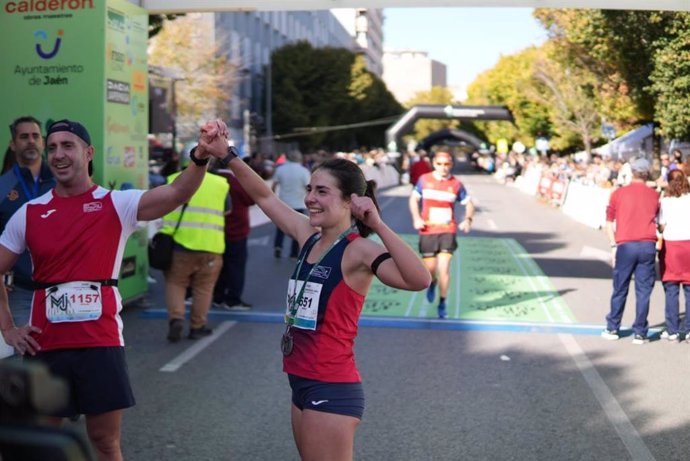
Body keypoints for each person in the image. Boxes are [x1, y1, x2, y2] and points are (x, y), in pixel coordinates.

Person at [0, 118, 229, 460]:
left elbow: (177, 192)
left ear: (88, 152)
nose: (58, 155)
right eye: (52, 148)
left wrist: (199, 157)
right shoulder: (29, 213)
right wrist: (8, 329)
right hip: (46, 345)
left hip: (100, 343)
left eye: (68, 146)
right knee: (41, 445)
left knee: (105, 442)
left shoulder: (116, 205)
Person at [199, 129, 430, 461]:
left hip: (331, 386)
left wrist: (378, 225)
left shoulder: (359, 250)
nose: (310, 198)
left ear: (351, 201)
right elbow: (265, 197)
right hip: (300, 382)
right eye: (310, 189)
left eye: (322, 191)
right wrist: (227, 155)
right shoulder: (307, 235)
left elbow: (419, 279)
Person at [162, 156, 229, 342]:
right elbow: (227, 211)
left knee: (176, 283)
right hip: (211, 246)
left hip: (179, 243)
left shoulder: (172, 179)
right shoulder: (221, 184)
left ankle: (176, 318)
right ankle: (197, 326)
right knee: (204, 288)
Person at [0, 116, 55, 335]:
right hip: (21, 290)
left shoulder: (63, 180)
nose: (31, 141)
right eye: (24, 137)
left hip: (63, 288)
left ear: (42, 142)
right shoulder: (3, 187)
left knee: (65, 356)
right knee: (29, 353)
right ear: (13, 145)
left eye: (35, 136)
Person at [408, 151, 475, 319]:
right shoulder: (424, 180)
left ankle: (442, 302)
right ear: (434, 164)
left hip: (447, 230)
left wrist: (468, 219)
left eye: (447, 164)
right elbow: (413, 199)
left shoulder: (456, 184)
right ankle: (432, 282)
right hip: (428, 230)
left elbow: (469, 204)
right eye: (439, 164)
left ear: (451, 165)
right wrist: (416, 218)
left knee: (444, 268)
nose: (443, 168)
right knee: (430, 270)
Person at [601, 158, 660, 344]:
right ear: (647, 173)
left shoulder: (618, 193)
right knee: (643, 290)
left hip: (626, 244)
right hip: (647, 244)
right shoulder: (655, 195)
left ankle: (613, 327)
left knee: (620, 287)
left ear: (631, 172)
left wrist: (613, 246)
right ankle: (640, 331)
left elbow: (608, 223)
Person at [213, 163, 255, 311]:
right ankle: (233, 299)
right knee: (236, 266)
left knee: (219, 265)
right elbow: (251, 199)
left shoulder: (211, 179)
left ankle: (217, 296)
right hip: (236, 229)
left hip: (215, 230)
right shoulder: (236, 181)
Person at [657, 168, 690, 342]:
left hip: (672, 246)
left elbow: (661, 225)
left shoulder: (666, 201)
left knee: (671, 288)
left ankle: (672, 329)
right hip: (689, 244)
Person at [271, 149, 310, 259]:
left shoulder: (280, 169)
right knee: (297, 229)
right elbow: (308, 188)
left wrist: (273, 199)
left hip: (284, 203)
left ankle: (278, 246)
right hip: (299, 203)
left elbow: (274, 185)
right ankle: (294, 252)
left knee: (281, 227)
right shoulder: (304, 171)